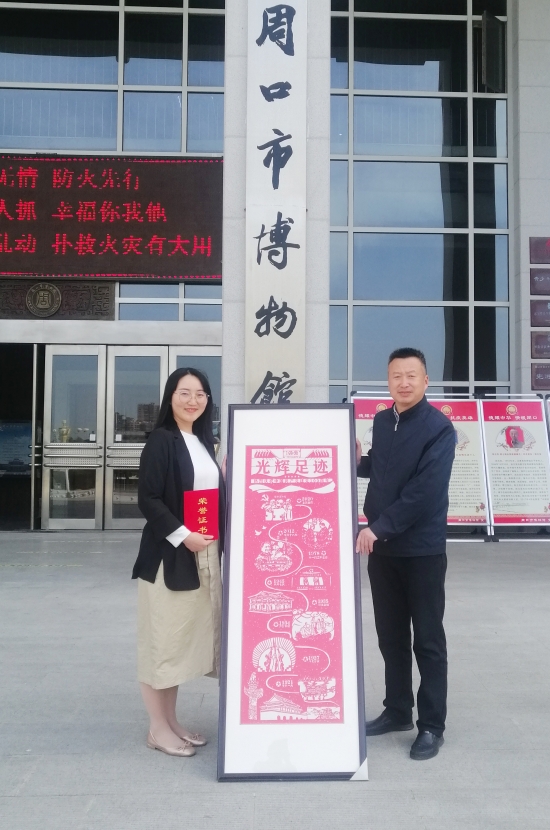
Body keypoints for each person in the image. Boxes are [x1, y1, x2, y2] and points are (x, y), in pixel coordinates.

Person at [356, 348, 455, 761]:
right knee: (391, 636)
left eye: (412, 375)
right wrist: (356, 461)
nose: (404, 382)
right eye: (396, 375)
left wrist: (378, 528)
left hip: (421, 551)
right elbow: (383, 467)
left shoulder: (439, 428)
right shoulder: (383, 421)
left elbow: (423, 492)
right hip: (385, 552)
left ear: (426, 381)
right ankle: (397, 710)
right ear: (388, 380)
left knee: (427, 640)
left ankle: (431, 725)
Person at [132, 367, 225, 758]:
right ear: (170, 397)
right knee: (162, 645)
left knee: (180, 643)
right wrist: (183, 535)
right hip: (169, 555)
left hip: (203, 554)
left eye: (200, 394)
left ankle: (172, 722)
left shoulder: (204, 442)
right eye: (184, 393)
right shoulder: (161, 440)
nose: (193, 400)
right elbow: (148, 498)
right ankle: (157, 728)